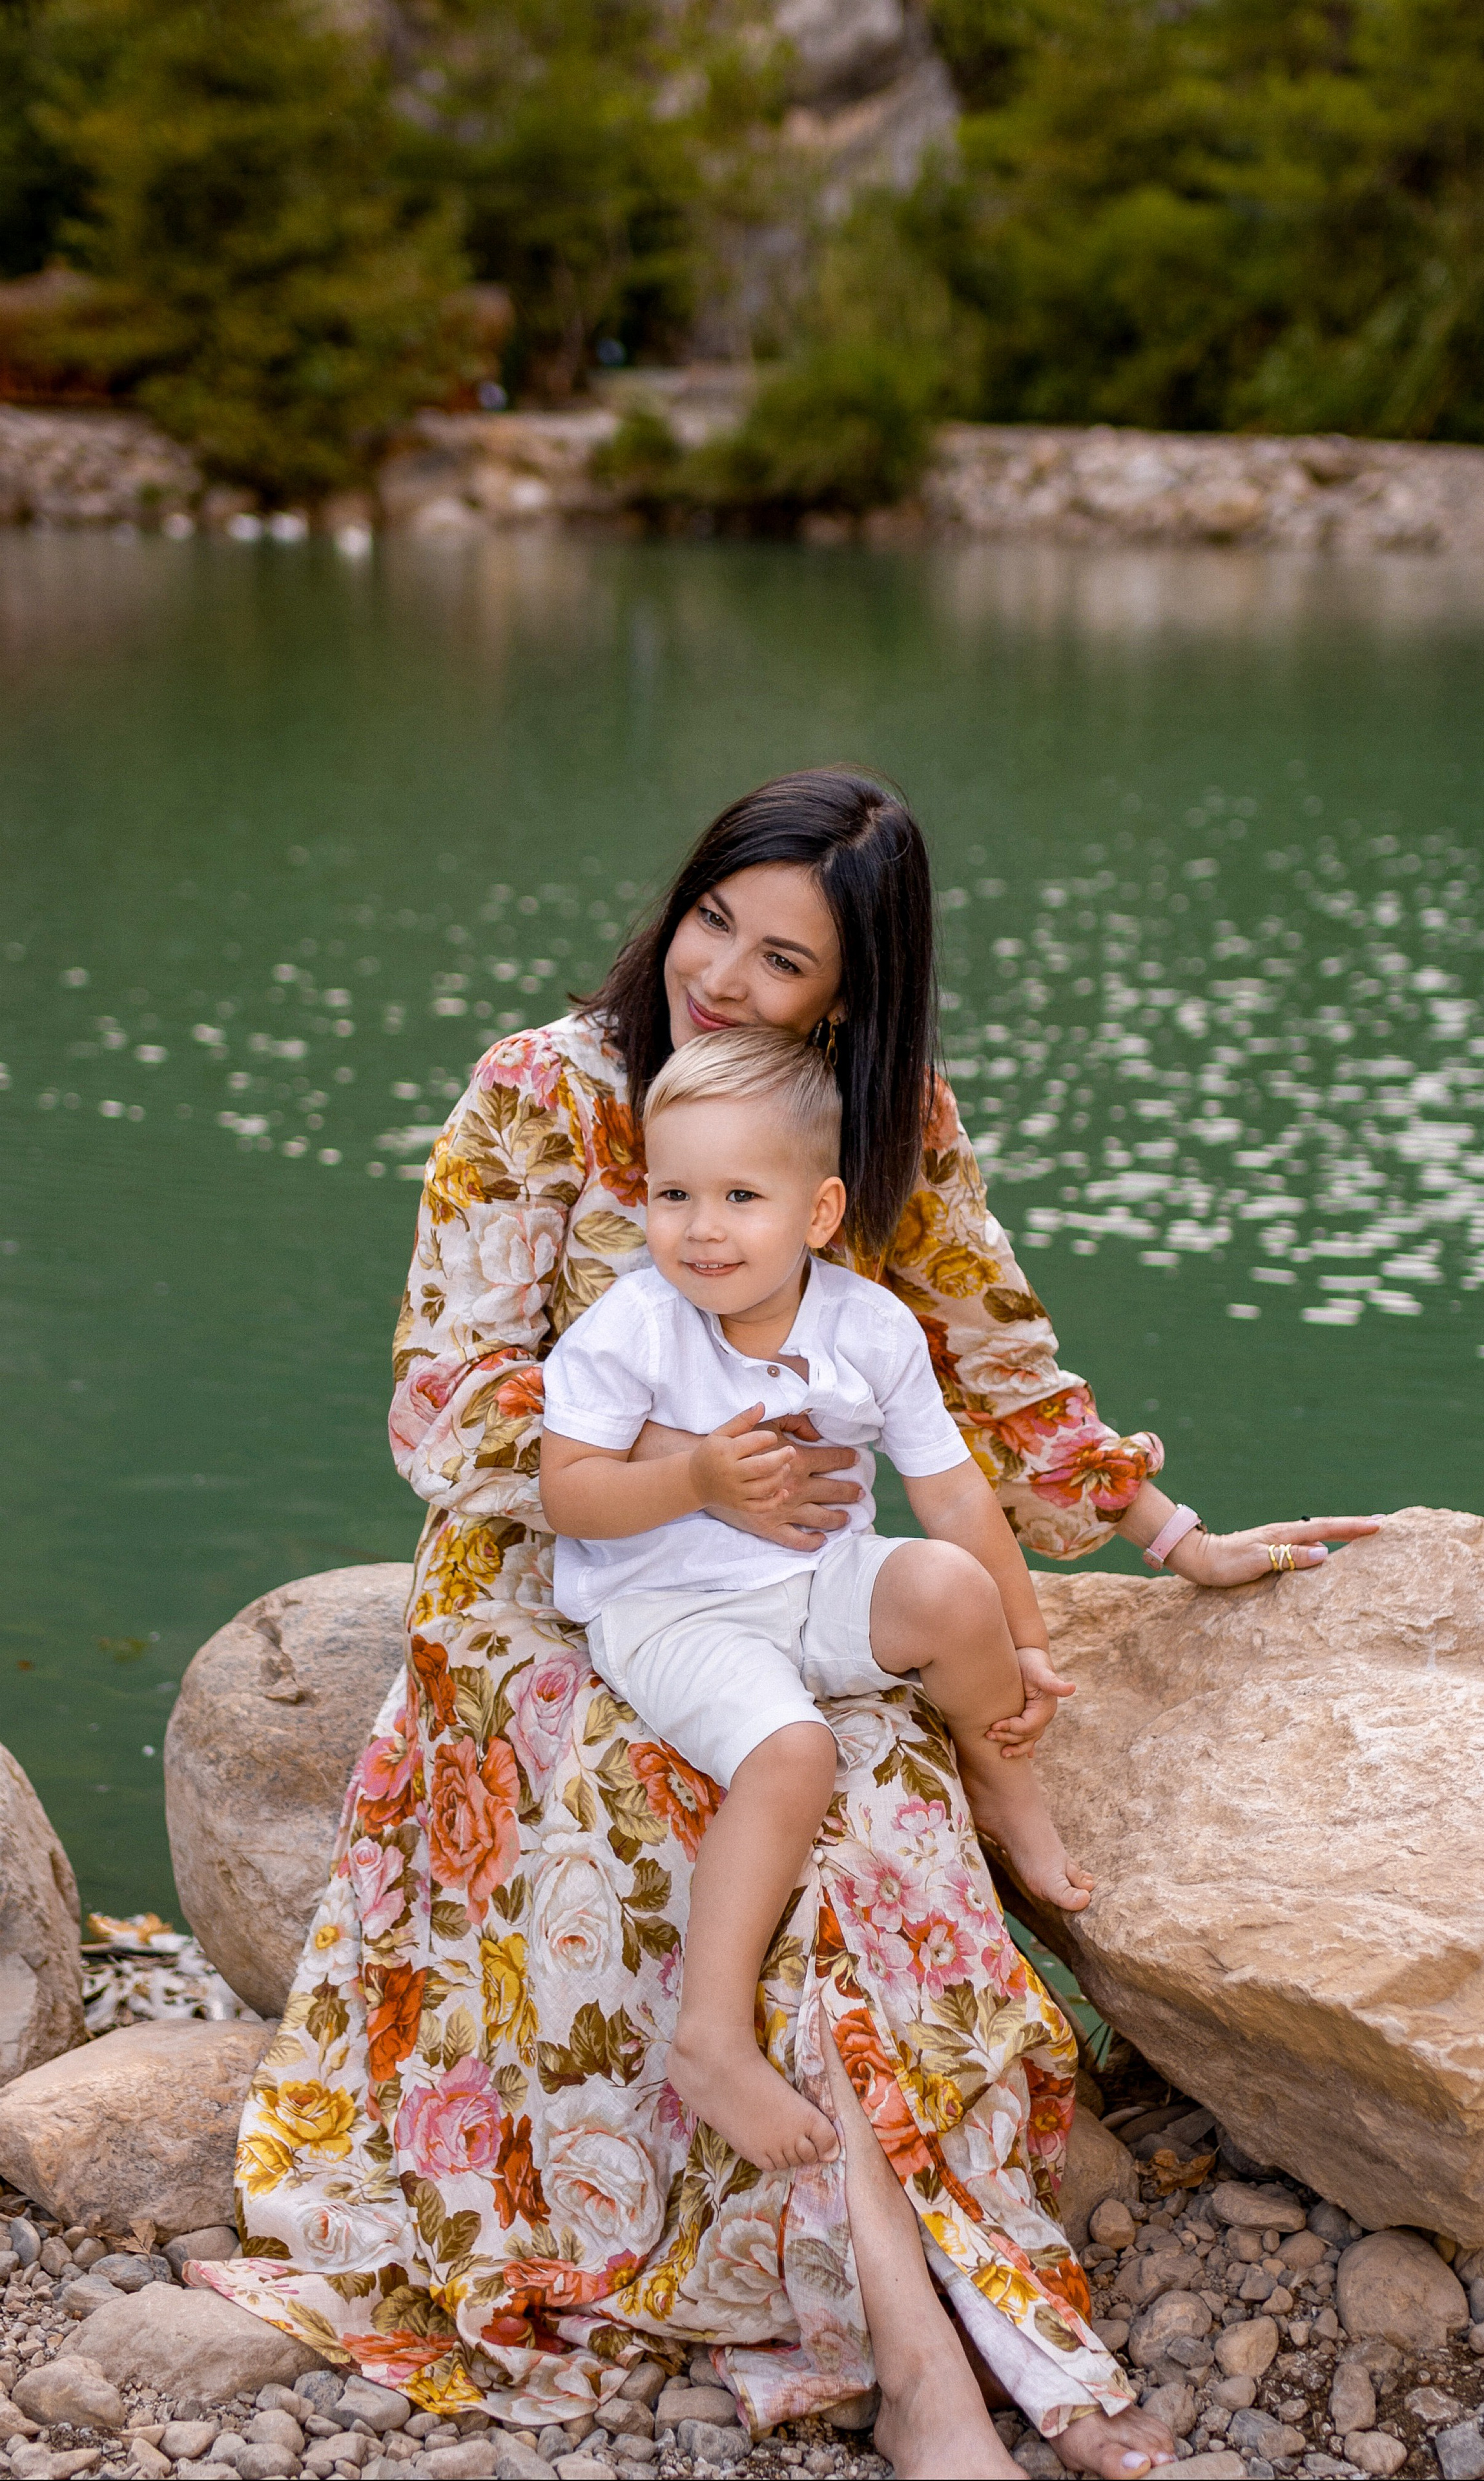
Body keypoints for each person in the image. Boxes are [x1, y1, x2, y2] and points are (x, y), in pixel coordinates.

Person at [200, 768, 1379, 2481]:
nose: (725, 979)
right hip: (551, 1575)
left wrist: (1168, 1530)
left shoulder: (885, 1126)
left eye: (784, 961)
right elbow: (438, 1406)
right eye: (714, 924)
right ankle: (931, 2360)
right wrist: (685, 1469)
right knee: (742, 1791)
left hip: (779, 1575)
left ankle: (951, 2338)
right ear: (679, 900)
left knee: (867, 1809)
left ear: (851, 994)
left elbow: (994, 1359)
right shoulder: (543, 1091)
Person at [539, 1024, 1095, 2177]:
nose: (701, 1227)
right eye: (673, 1191)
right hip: (670, 1609)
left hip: (812, 1581)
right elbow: (570, 1496)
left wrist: (1024, 1637)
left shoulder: (869, 1326)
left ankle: (1004, 1777)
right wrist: (692, 1477)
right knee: (791, 1754)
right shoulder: (633, 1326)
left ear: (822, 1212)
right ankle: (710, 2038)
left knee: (946, 1588)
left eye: (742, 1194)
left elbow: (950, 1496)